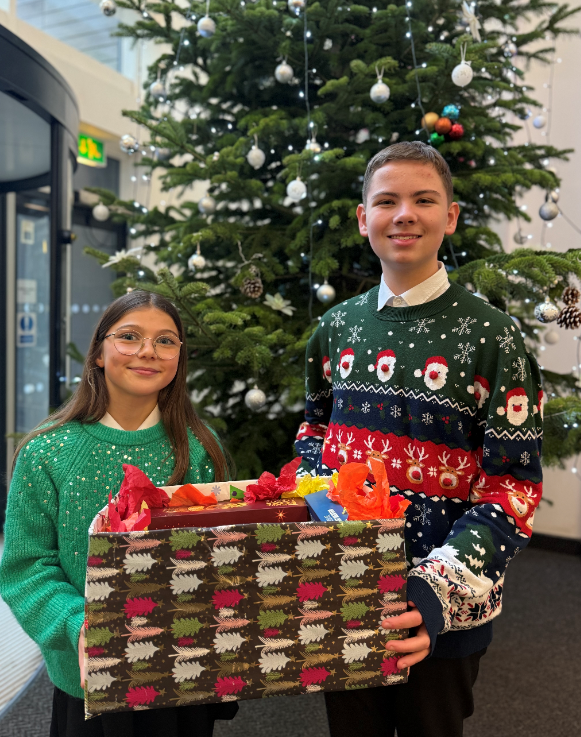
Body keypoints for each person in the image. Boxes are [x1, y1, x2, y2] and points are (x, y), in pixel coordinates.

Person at [295, 141, 543, 737]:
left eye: (423, 199)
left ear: (450, 217)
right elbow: (314, 435)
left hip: (442, 612)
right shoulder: (335, 328)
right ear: (364, 219)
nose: (404, 214)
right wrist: (324, 534)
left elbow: (512, 488)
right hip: (347, 587)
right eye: (386, 201)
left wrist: (434, 593)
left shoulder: (494, 337)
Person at [0, 290, 238, 737]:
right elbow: (26, 568)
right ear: (98, 353)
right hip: (90, 677)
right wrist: (79, 626)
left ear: (179, 360)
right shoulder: (46, 453)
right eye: (129, 337)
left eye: (166, 341)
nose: (148, 351)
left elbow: (225, 556)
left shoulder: (203, 450)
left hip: (182, 670)